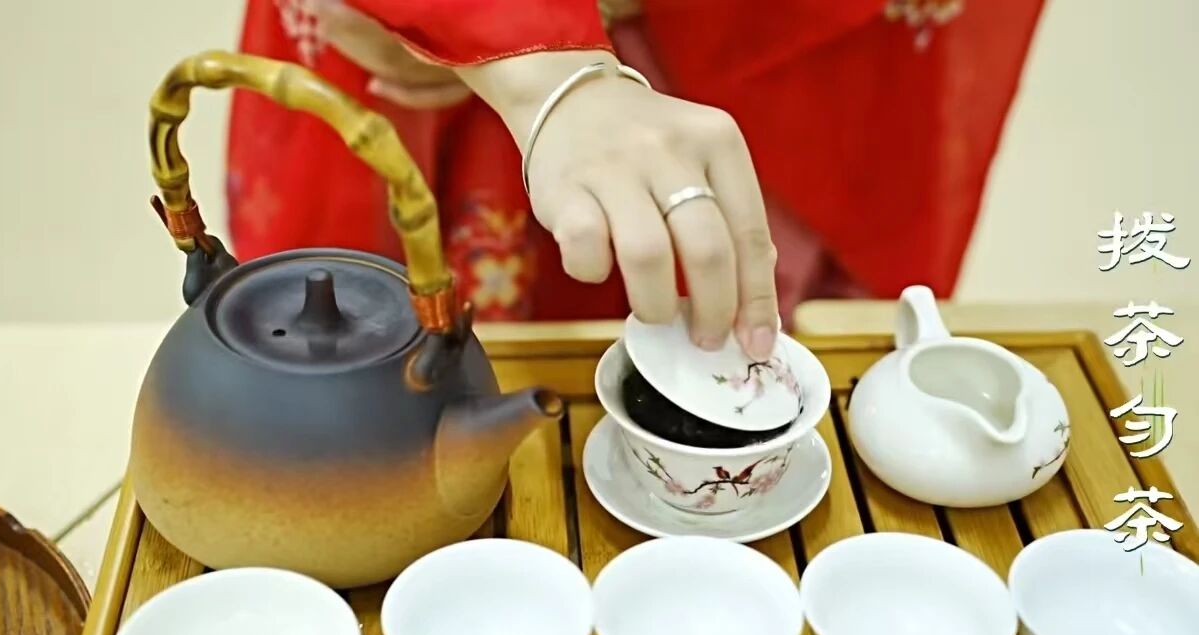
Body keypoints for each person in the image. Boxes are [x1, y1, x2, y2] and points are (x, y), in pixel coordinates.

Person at [228, 0, 1043, 361]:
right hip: (482, 36)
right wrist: (537, 62)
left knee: (756, 286)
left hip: (778, 33)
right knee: (406, 354)